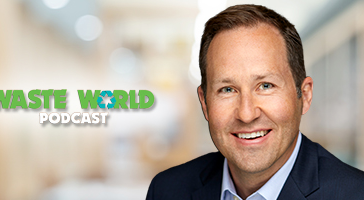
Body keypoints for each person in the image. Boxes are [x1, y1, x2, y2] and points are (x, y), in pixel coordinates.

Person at [146, 4, 364, 200]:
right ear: (205, 103)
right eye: (227, 89)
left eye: (266, 86)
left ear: (304, 95)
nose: (246, 114)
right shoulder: (167, 190)